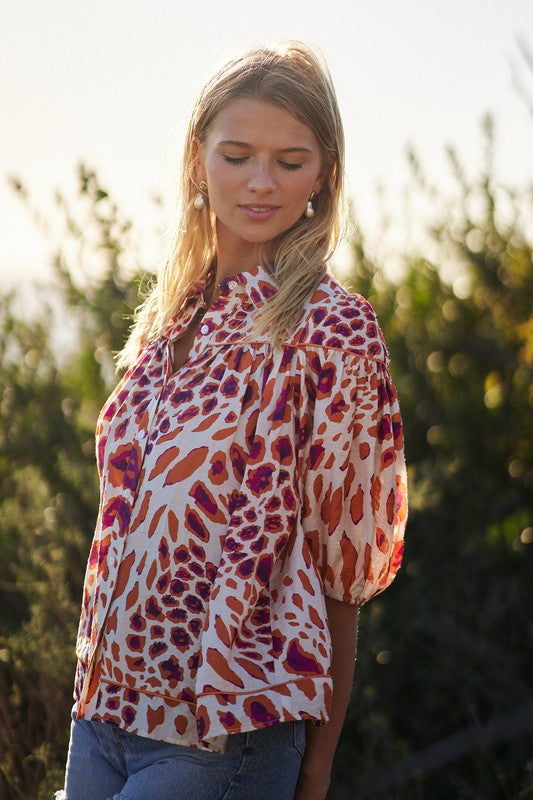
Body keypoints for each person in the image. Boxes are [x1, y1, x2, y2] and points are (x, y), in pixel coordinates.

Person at [59, 40, 407, 800]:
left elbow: (342, 573)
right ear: (197, 158)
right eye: (237, 155)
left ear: (324, 174)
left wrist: (316, 768)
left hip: (224, 734)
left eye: (290, 161)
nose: (260, 182)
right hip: (101, 716)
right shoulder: (169, 317)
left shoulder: (332, 330)